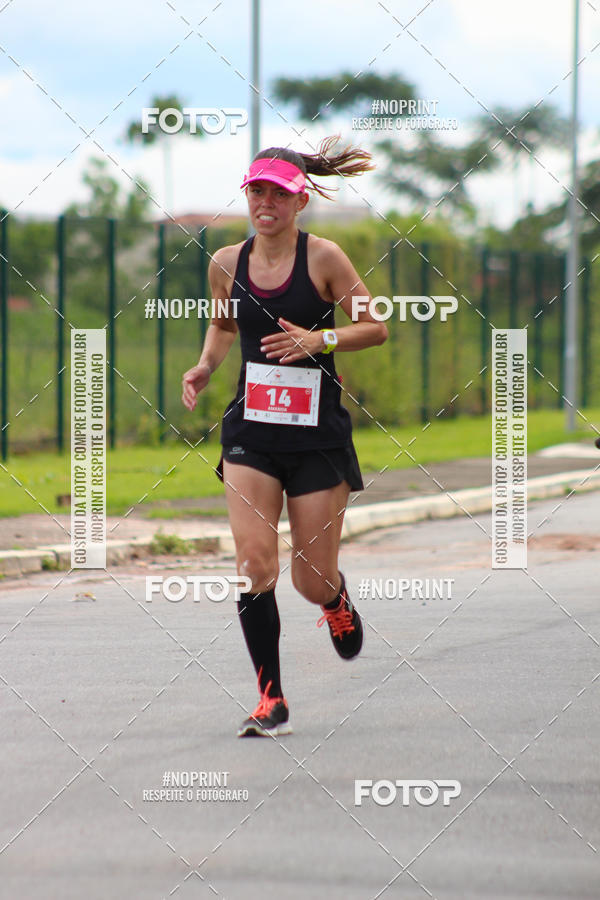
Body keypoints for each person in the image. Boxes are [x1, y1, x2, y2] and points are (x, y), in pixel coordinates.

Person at [182, 137, 388, 737]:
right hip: (252, 432)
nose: (266, 201)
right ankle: (271, 697)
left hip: (316, 435)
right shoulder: (225, 261)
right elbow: (223, 326)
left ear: (299, 200)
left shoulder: (325, 258)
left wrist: (316, 341)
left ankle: (334, 601)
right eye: (257, 191)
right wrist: (205, 365)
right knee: (252, 565)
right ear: (247, 195)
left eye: (278, 192)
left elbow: (374, 328)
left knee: (309, 577)